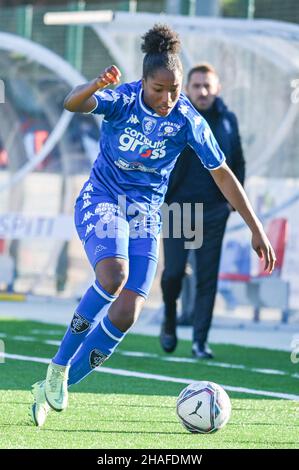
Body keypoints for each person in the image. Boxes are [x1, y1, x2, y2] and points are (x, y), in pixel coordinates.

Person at [30, 24, 276, 427]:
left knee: (127, 312)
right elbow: (71, 103)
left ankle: (55, 387)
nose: (168, 98)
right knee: (114, 274)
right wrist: (94, 85)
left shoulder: (186, 118)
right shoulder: (123, 99)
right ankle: (58, 366)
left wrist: (256, 227)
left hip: (144, 213)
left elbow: (223, 173)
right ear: (143, 81)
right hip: (103, 198)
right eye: (160, 89)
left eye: (175, 89)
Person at [160, 63, 245, 359]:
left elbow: (237, 162)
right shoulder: (176, 117)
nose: (203, 91)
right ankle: (169, 319)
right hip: (178, 210)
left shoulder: (227, 120)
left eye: (208, 86)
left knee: (207, 279)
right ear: (187, 89)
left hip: (213, 212)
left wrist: (232, 203)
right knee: (172, 274)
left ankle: (200, 342)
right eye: (196, 86)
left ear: (217, 88)